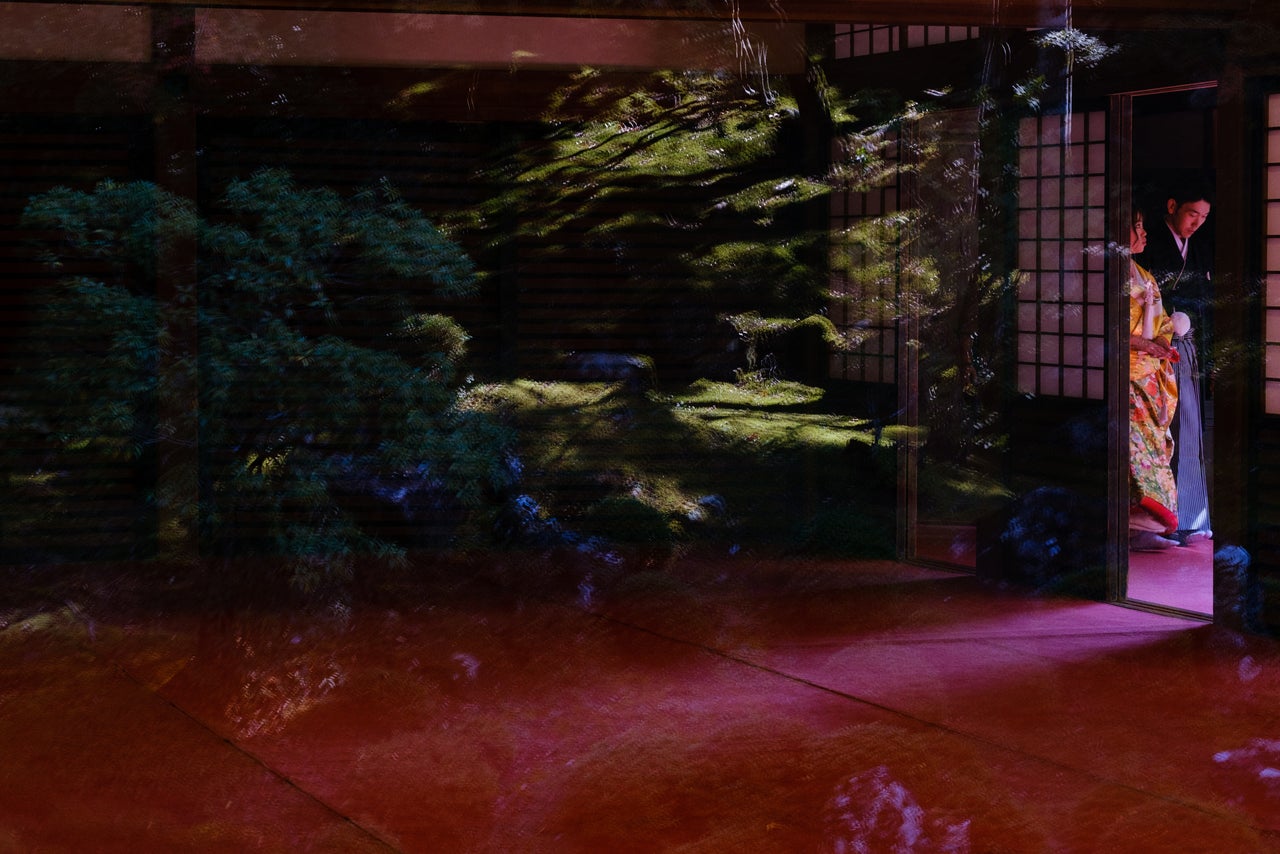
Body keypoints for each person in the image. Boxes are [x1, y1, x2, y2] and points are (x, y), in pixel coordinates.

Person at [1135, 180, 1213, 543]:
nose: (1197, 223)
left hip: (1182, 346)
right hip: (1151, 354)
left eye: (1203, 217)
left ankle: (1191, 518)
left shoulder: (1194, 249)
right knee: (1168, 434)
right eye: (1191, 213)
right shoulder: (1147, 249)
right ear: (1172, 206)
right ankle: (1170, 520)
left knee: (1189, 429)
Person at [1127, 212, 1180, 551]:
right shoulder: (1105, 274)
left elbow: (1162, 326)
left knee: (1154, 451)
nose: (1144, 233)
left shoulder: (1144, 275)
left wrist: (1161, 344)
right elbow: (1101, 329)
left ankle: (1142, 526)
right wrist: (1140, 344)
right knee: (1130, 453)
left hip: (1148, 379)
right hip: (1122, 376)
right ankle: (1124, 518)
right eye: (1138, 226)